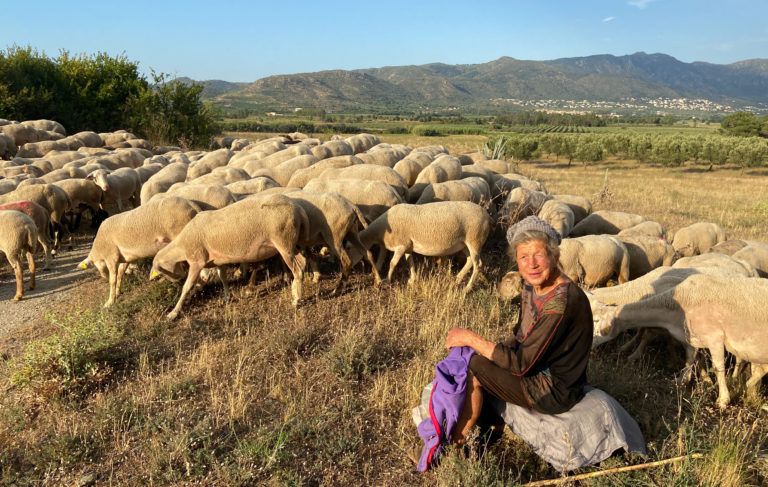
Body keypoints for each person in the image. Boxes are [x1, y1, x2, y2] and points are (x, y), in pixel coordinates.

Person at [444, 216, 593, 444]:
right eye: (524, 257)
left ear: (555, 256)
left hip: (552, 389)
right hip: (536, 369)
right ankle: (487, 424)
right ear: (517, 260)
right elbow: (520, 336)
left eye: (539, 255)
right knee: (475, 356)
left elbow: (522, 364)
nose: (531, 264)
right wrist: (490, 352)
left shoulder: (561, 303)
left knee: (474, 367)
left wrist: (472, 339)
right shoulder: (530, 285)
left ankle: (456, 441)